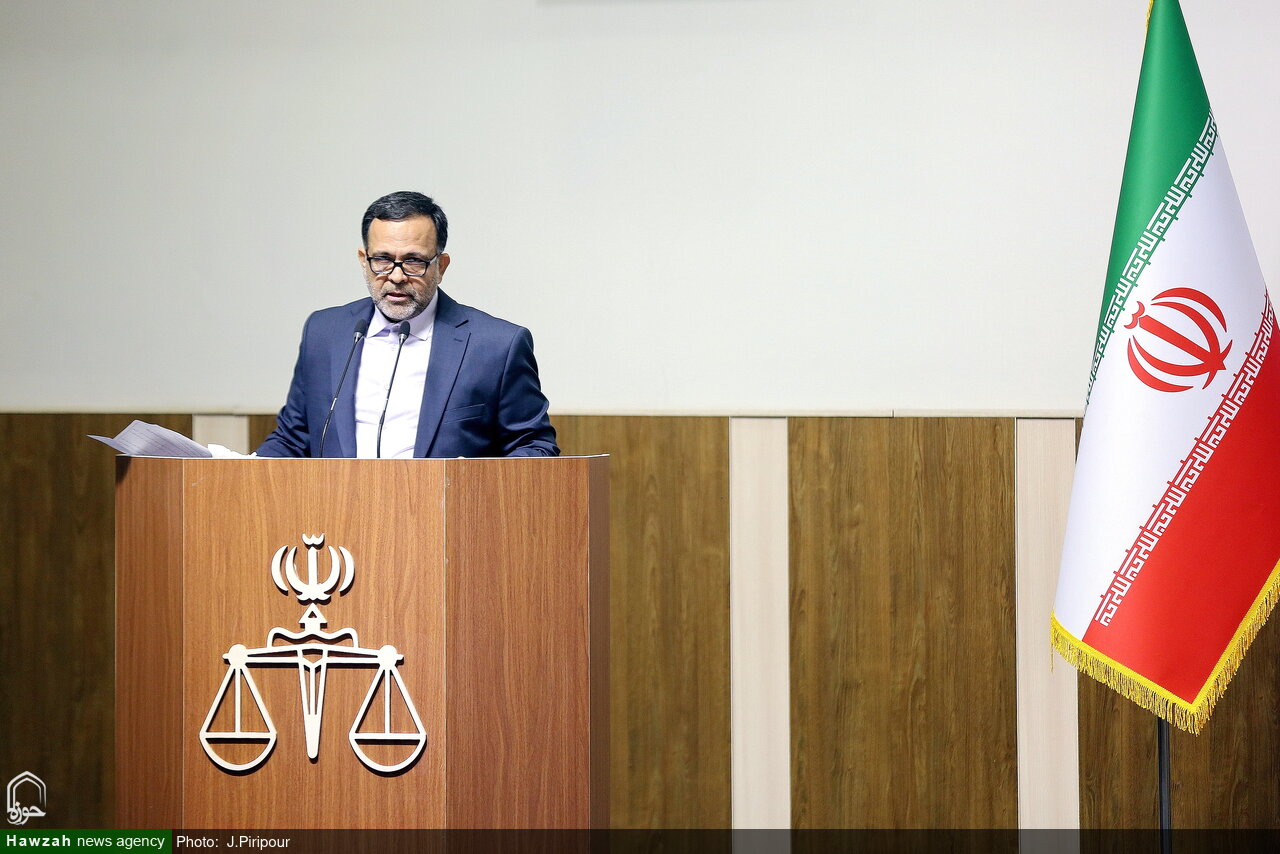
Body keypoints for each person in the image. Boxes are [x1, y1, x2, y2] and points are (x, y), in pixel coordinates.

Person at [257, 191, 558, 458]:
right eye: (382, 259)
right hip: (337, 504)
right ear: (363, 260)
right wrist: (242, 468)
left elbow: (535, 447)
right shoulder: (324, 332)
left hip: (445, 504)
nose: (397, 276)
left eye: (414, 261)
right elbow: (293, 439)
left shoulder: (497, 345)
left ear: (441, 266)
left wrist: (471, 484)